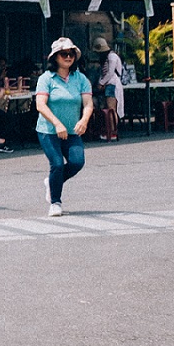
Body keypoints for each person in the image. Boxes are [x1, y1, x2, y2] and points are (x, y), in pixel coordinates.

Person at [35, 38, 93, 218]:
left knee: (77, 162)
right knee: (57, 164)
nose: (68, 57)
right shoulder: (46, 78)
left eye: (71, 54)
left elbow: (88, 103)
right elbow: (40, 105)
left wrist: (84, 120)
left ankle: (52, 182)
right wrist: (57, 123)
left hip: (72, 130)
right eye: (64, 54)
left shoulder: (80, 78)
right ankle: (55, 202)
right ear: (55, 57)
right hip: (49, 130)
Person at [91, 37, 125, 141]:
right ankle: (109, 130)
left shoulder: (112, 56)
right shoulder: (105, 58)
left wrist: (101, 83)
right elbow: (103, 73)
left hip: (112, 84)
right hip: (108, 84)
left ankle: (113, 131)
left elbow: (110, 72)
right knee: (107, 108)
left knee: (111, 109)